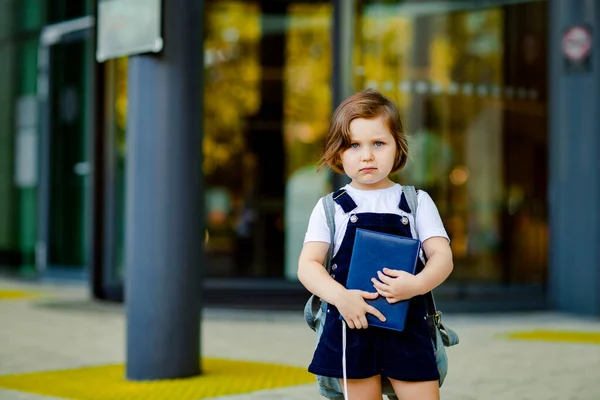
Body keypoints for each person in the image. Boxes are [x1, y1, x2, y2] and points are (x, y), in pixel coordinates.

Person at [297, 89, 454, 400]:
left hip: (408, 327)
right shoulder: (330, 207)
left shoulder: (416, 202)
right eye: (354, 145)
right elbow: (308, 265)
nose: (366, 155)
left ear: (397, 147)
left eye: (378, 143)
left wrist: (418, 284)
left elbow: (442, 256)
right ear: (338, 153)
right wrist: (340, 297)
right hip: (351, 327)